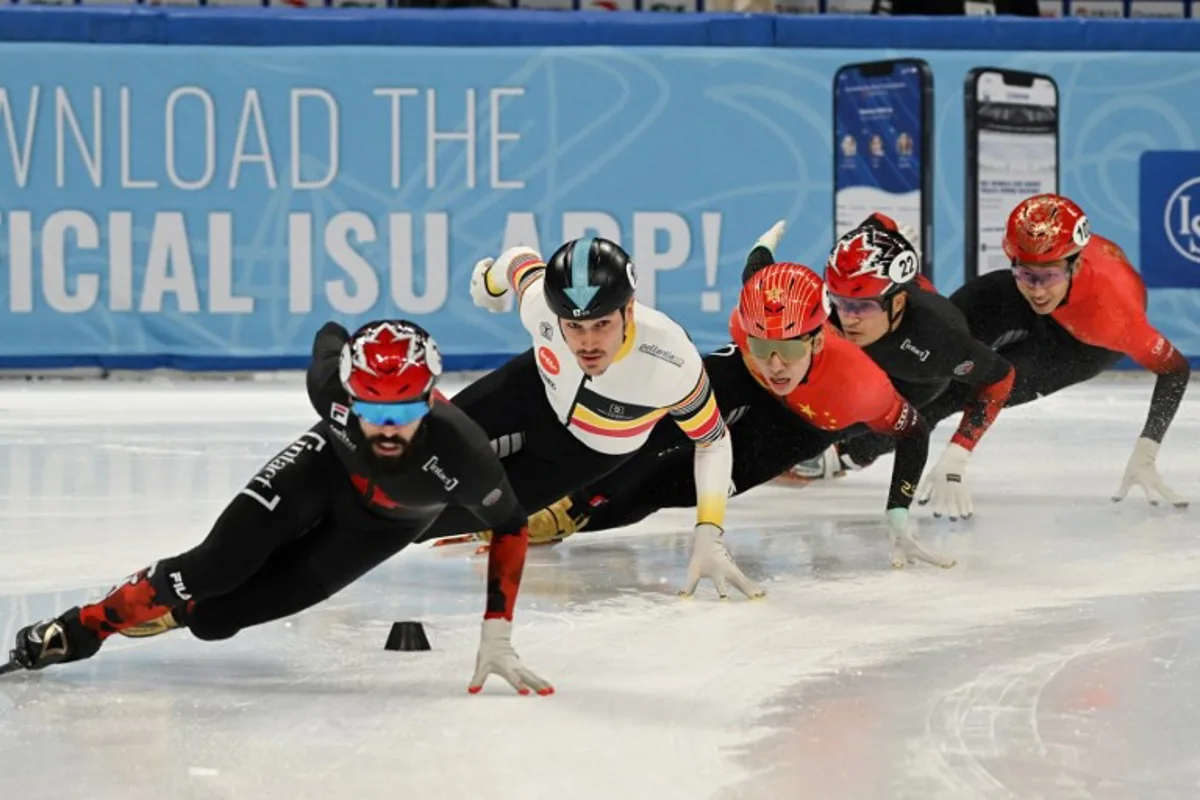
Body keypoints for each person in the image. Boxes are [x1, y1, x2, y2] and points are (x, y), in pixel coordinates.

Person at [5, 320, 553, 697]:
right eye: (371, 407)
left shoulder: (463, 453)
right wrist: (344, 336)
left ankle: (180, 611)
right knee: (215, 566)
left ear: (432, 396)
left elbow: (508, 524)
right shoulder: (329, 392)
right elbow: (329, 338)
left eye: (407, 407)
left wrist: (496, 634)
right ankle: (82, 626)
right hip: (322, 471)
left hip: (382, 526)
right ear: (348, 393)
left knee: (217, 619)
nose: (388, 426)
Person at [503, 257, 954, 571]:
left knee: (673, 488)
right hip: (741, 377)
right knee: (653, 424)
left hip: (800, 427)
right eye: (763, 346)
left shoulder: (860, 385)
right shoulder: (748, 328)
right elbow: (757, 274)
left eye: (789, 349)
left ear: (816, 340)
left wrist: (898, 512)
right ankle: (560, 497)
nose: (775, 363)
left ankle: (574, 520)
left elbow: (913, 430)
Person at [423, 237, 751, 598]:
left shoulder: (671, 362)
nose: (588, 343)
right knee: (417, 452)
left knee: (424, 519)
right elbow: (519, 259)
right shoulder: (541, 306)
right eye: (575, 327)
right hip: (529, 393)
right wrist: (489, 285)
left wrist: (709, 532)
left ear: (628, 310)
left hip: (579, 457)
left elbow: (713, 440)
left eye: (601, 325)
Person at [823, 194, 1191, 509]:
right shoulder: (1034, 279)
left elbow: (1175, 369)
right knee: (940, 343)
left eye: (1047, 276)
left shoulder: (1113, 316)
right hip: (1047, 302)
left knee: (958, 390)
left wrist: (1147, 451)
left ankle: (849, 455)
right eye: (1025, 273)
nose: (1037, 290)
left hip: (1079, 346)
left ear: (1076, 263)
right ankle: (830, 416)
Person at [769, 213, 1017, 521]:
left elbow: (1001, 377)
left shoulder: (941, 338)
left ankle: (847, 458)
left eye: (861, 306)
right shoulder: (835, 297)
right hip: (878, 337)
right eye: (840, 302)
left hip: (915, 379)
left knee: (868, 430)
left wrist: (959, 452)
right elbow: (879, 221)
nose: (849, 317)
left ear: (897, 303)